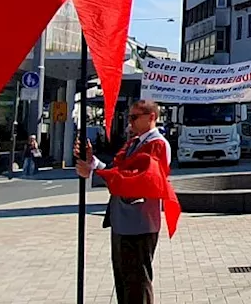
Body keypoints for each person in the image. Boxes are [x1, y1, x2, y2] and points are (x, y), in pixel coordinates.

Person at [74, 99, 179, 304]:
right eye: (129, 116)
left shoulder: (157, 144)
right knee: (123, 281)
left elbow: (137, 180)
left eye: (134, 117)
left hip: (139, 223)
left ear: (151, 117)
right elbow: (118, 169)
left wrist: (95, 172)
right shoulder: (134, 142)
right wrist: (92, 161)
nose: (129, 122)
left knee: (137, 283)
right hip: (124, 221)